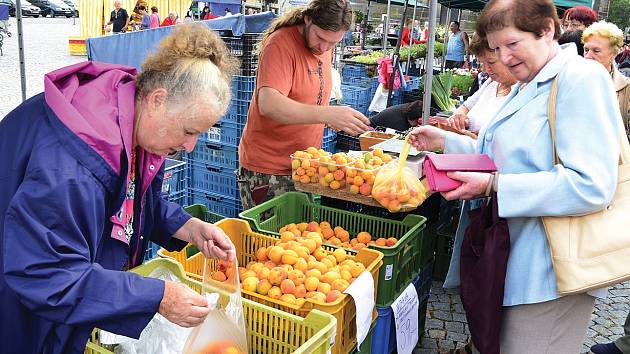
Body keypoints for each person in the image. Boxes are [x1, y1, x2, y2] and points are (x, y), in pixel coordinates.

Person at [0, 23, 239, 353]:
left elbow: (131, 199)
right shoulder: (72, 168)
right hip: (20, 311)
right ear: (158, 100)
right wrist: (157, 296)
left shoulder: (135, 121)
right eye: (188, 130)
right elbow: (47, 274)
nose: (190, 146)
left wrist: (189, 227)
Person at [410, 0, 622, 353]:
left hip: (553, 271)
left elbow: (592, 185)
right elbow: (502, 157)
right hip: (514, 256)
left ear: (547, 31)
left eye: (512, 44)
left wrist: (496, 186)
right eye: (495, 49)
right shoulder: (529, 82)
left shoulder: (580, 79)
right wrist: (446, 141)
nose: (504, 57)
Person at [237, 0, 370, 209]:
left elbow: (309, 96)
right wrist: (325, 114)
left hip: (304, 167)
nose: (324, 47)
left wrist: (331, 118)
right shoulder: (280, 44)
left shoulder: (324, 47)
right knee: (274, 239)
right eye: (321, 38)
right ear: (308, 20)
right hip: (270, 170)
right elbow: (268, 103)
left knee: (301, 238)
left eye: (333, 43)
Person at [444, 35, 518, 134]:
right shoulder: (491, 83)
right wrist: (459, 117)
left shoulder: (522, 93)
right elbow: (465, 106)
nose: (485, 69)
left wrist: (478, 141)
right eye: (482, 63)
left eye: (491, 62)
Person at [582, 21, 630, 134]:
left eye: (596, 51)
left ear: (614, 54)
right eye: (586, 50)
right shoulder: (568, 83)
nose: (588, 56)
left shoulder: (626, 88)